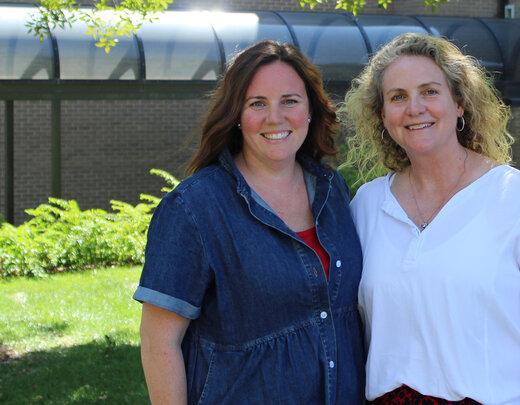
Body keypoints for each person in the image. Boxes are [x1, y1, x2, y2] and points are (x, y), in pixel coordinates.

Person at [342, 33, 520, 404]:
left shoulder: (518, 197)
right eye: (398, 96)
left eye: (430, 91)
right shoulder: (366, 206)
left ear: (459, 104)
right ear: (383, 115)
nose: (414, 107)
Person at [133, 40, 365, 405]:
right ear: (236, 114)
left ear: (310, 110)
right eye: (257, 103)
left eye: (290, 101)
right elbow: (159, 342)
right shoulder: (194, 208)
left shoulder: (331, 189)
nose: (275, 117)